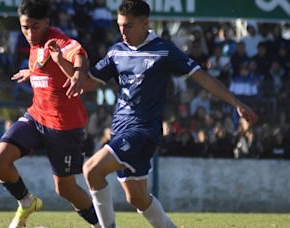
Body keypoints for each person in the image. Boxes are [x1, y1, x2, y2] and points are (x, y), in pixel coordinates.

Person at [81, 0, 258, 227]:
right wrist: (64, 65)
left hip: (143, 131)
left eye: (128, 26)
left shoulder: (164, 49)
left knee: (92, 170)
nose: (122, 31)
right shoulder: (117, 51)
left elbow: (202, 77)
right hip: (120, 130)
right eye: (120, 25)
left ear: (145, 23)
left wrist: (236, 102)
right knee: (137, 199)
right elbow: (87, 83)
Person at [0, 1, 100, 228]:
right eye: (24, 27)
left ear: (47, 22)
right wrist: (32, 71)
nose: (29, 33)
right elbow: (44, 63)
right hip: (36, 117)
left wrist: (78, 73)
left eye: (35, 27)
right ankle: (27, 202)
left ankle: (101, 224)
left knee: (66, 189)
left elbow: (77, 52)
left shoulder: (57, 39)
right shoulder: (34, 42)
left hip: (64, 127)